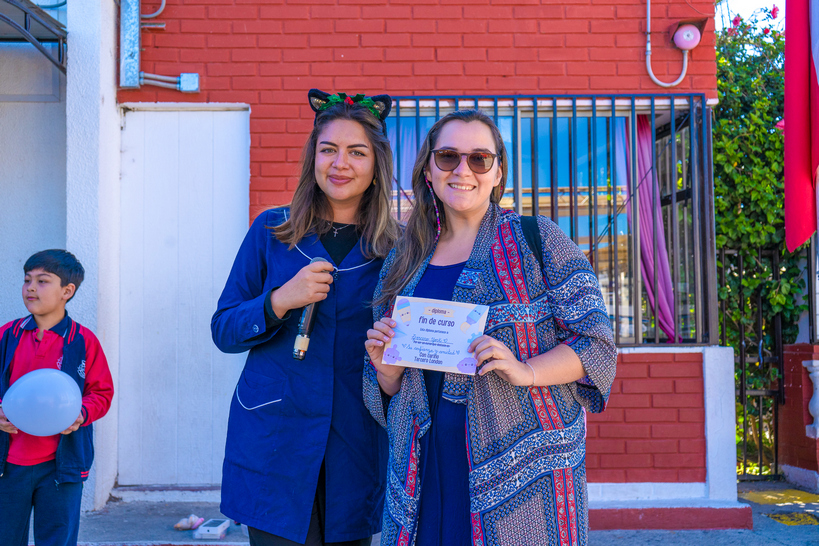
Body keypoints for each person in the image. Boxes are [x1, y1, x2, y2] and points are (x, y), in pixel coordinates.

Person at [364, 110, 617, 546]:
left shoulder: (538, 239)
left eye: (479, 159)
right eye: (448, 156)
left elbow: (597, 344)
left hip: (523, 478)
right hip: (422, 472)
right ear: (428, 170)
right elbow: (387, 383)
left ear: (498, 172)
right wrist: (386, 373)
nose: (463, 170)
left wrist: (527, 370)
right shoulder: (404, 258)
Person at [212, 89, 399, 546]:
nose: (340, 164)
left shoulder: (398, 248)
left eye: (357, 152)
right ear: (312, 157)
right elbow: (224, 329)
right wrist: (280, 300)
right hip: (274, 440)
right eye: (328, 149)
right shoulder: (271, 231)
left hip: (354, 443)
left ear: (377, 165)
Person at [0, 249, 114, 546]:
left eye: (42, 281)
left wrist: (81, 413)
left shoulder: (83, 341)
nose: (31, 288)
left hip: (61, 468)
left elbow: (101, 392)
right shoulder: (7, 336)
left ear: (67, 291)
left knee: (57, 540)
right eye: (27, 280)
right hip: (7, 466)